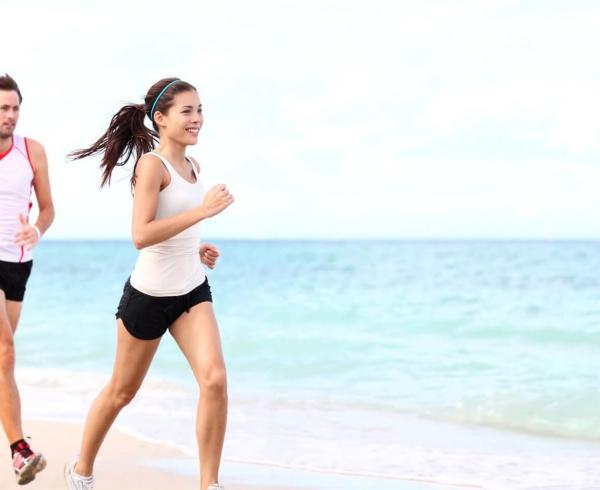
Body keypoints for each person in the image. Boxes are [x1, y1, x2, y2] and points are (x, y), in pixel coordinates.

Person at [65, 78, 233, 490]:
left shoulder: (194, 167)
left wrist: (196, 248)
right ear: (161, 118)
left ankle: (209, 484)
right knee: (122, 392)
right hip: (149, 297)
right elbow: (141, 234)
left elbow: (173, 229)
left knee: (214, 380)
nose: (197, 119)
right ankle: (81, 470)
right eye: (187, 111)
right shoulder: (151, 165)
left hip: (191, 290)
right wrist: (203, 214)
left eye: (200, 110)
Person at [0, 73, 55, 485]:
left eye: (15, 108)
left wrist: (36, 230)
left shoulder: (32, 151)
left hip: (18, 262)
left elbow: (48, 209)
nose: (10, 116)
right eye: (3, 108)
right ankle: (20, 451)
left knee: (1, 358)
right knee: (4, 353)